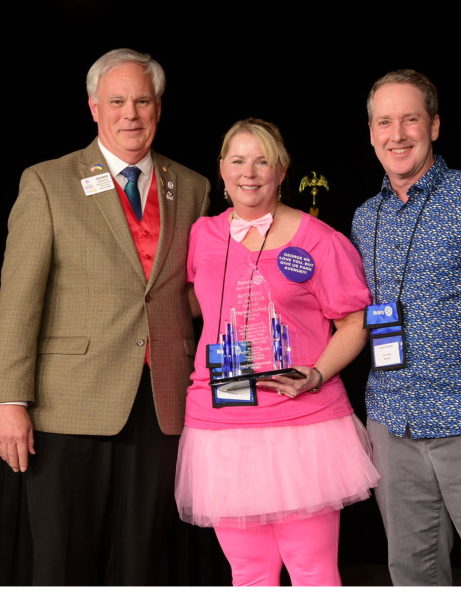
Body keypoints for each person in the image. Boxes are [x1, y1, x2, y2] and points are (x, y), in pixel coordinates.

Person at [0, 48, 209, 586]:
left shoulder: (192, 187)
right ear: (94, 107)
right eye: (117, 101)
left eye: (142, 100)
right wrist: (11, 400)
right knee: (62, 563)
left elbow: (195, 290)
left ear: (159, 107)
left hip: (162, 402)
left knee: (139, 563)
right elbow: (20, 299)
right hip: (69, 403)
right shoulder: (47, 181)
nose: (130, 114)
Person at [174, 118, 378, 587]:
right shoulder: (201, 236)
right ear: (221, 169)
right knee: (248, 572)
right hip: (221, 422)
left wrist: (316, 373)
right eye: (239, 160)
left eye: (263, 160)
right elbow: (189, 302)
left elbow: (353, 323)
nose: (250, 172)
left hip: (302, 424)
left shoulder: (321, 241)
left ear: (282, 170)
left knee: (313, 571)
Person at [351, 70, 461, 587]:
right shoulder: (365, 217)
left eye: (410, 119)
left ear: (435, 126)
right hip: (392, 420)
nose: (397, 134)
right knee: (411, 573)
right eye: (385, 121)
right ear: (371, 131)